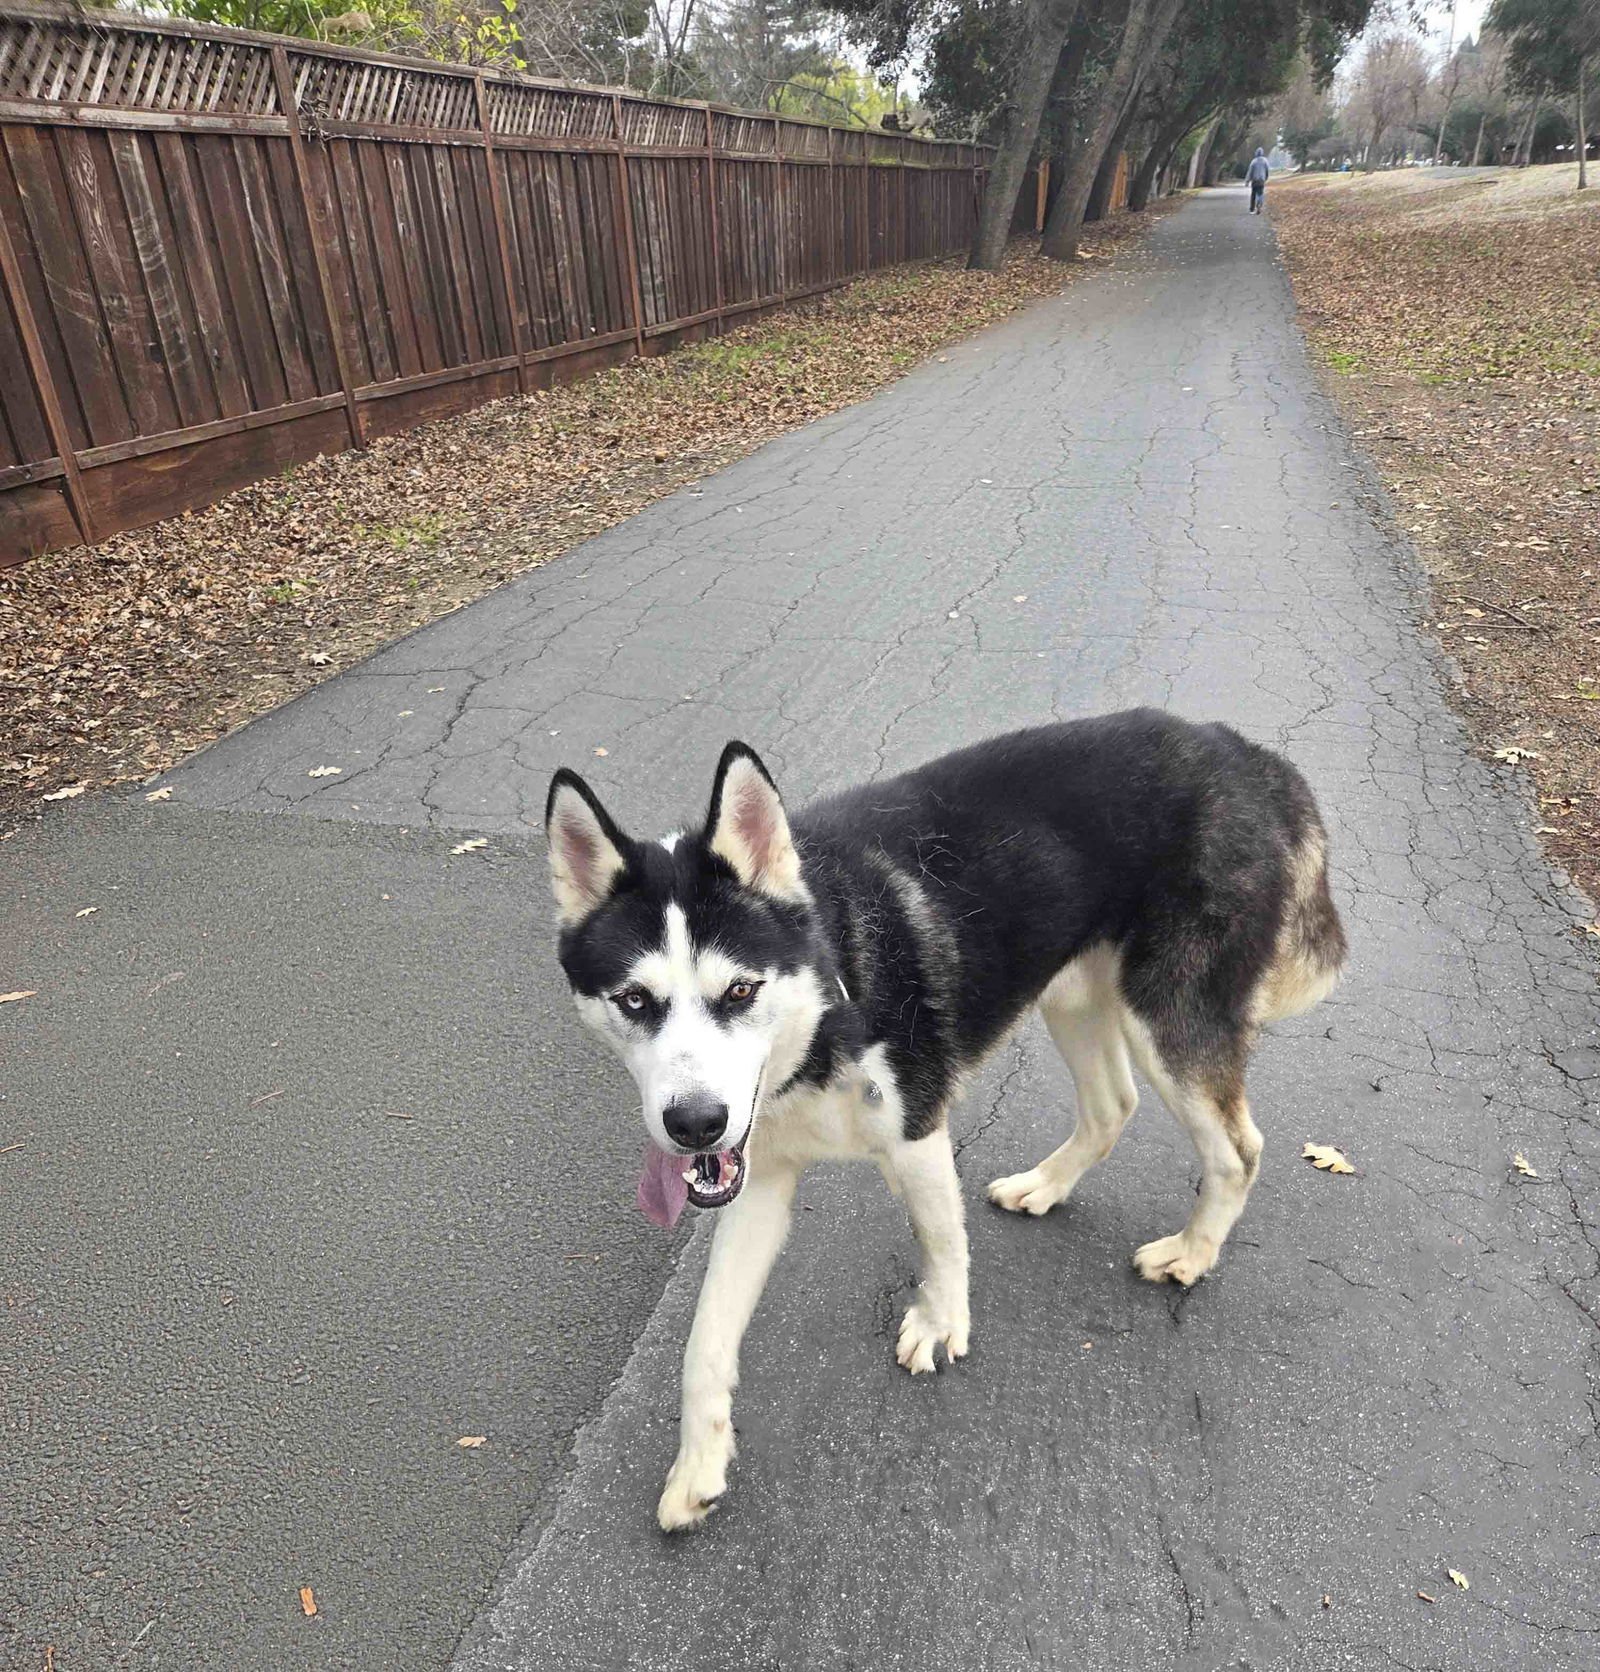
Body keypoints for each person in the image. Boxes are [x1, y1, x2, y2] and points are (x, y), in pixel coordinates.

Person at [1247, 147, 1269, 213]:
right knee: (1260, 193)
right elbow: (1267, 170)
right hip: (1261, 180)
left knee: (1253, 194)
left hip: (1255, 180)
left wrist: (1247, 180)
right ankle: (1259, 204)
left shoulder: (1253, 161)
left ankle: (1252, 209)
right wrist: (1266, 177)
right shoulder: (1265, 161)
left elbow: (1250, 171)